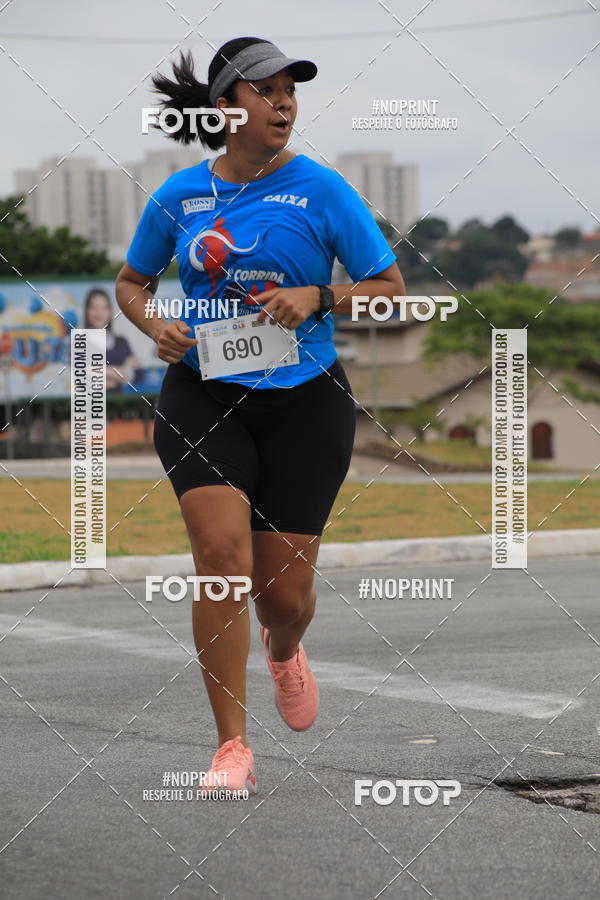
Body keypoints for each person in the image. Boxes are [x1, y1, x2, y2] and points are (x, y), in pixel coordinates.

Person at [115, 36, 405, 796]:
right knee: (220, 561)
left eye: (290, 91)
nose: (283, 103)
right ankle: (231, 748)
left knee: (282, 595)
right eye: (265, 90)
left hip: (306, 401)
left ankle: (285, 648)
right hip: (201, 394)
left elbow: (392, 287)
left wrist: (321, 297)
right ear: (224, 110)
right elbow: (131, 282)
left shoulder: (323, 190)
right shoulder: (177, 196)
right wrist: (153, 325)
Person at [83, 288, 140, 392]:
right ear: (87, 311)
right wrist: (122, 372)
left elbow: (138, 374)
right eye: (94, 308)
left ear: (110, 311)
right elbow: (81, 378)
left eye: (104, 308)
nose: (99, 313)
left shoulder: (121, 341)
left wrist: (95, 370)